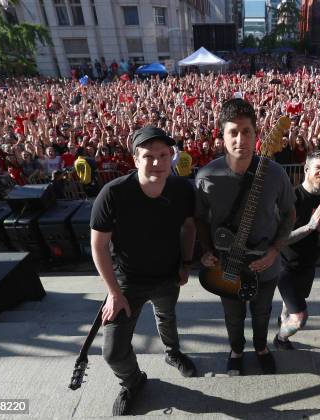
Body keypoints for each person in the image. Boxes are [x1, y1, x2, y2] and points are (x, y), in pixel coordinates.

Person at [90, 126, 197, 416]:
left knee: (167, 316)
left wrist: (186, 264)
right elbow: (98, 247)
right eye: (149, 156)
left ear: (172, 156)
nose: (157, 162)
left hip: (167, 275)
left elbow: (189, 227)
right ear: (135, 159)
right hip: (127, 281)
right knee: (112, 351)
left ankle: (173, 353)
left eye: (164, 155)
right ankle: (133, 382)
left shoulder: (182, 189)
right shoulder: (112, 194)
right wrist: (113, 293)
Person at [195, 98, 296, 376]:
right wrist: (205, 249)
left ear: (257, 134)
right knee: (233, 314)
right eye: (233, 132)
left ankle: (262, 348)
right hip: (227, 263)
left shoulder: (275, 173)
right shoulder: (207, 176)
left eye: (247, 131)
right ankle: (236, 350)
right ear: (222, 136)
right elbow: (200, 219)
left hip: (264, 263)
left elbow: (289, 214)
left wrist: (275, 250)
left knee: (262, 312)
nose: (241, 139)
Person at [274, 151, 320, 350]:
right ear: (306, 169)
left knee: (291, 305)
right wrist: (309, 226)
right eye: (318, 167)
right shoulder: (290, 199)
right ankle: (280, 339)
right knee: (300, 318)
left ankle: (283, 317)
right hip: (283, 267)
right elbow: (279, 240)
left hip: (308, 267)